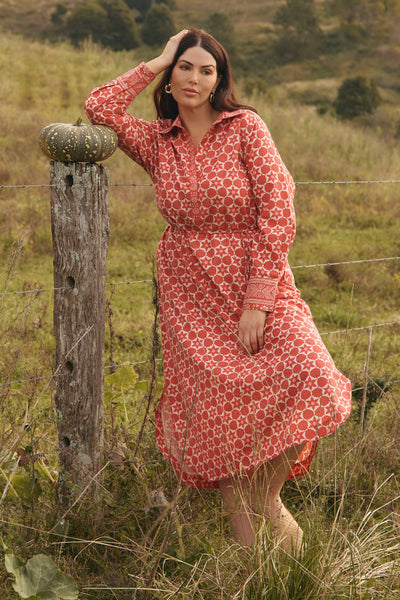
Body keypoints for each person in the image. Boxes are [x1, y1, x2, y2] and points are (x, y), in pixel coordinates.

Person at [85, 28, 352, 553]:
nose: (194, 78)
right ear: (171, 77)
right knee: (222, 434)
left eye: (206, 70)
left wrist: (258, 302)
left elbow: (278, 211)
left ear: (219, 81)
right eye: (184, 67)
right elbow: (100, 107)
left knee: (312, 372)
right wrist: (155, 60)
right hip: (191, 299)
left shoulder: (245, 127)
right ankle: (263, 577)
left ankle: (267, 497)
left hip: (257, 283)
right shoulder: (157, 142)